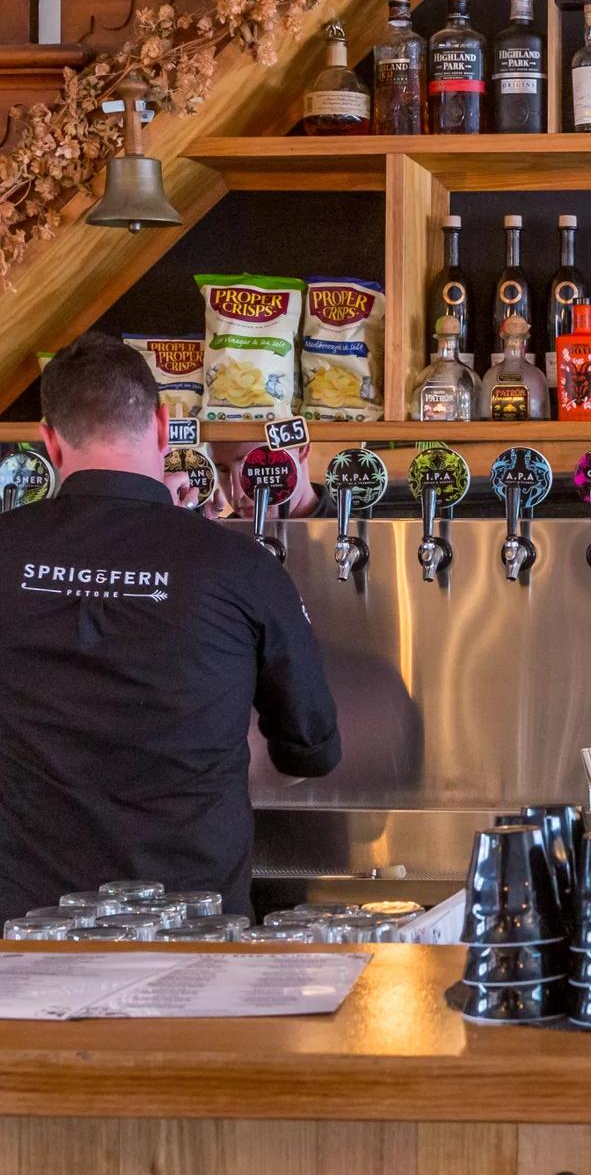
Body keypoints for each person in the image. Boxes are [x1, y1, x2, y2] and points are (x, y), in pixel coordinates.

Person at [0, 333, 340, 921]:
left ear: (50, 442)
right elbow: (311, 751)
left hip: (24, 939)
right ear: (162, 425)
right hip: (191, 934)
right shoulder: (240, 567)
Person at [208, 440, 334, 519]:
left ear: (300, 448)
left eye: (253, 467)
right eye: (223, 470)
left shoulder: (350, 531)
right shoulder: (223, 538)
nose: (236, 494)